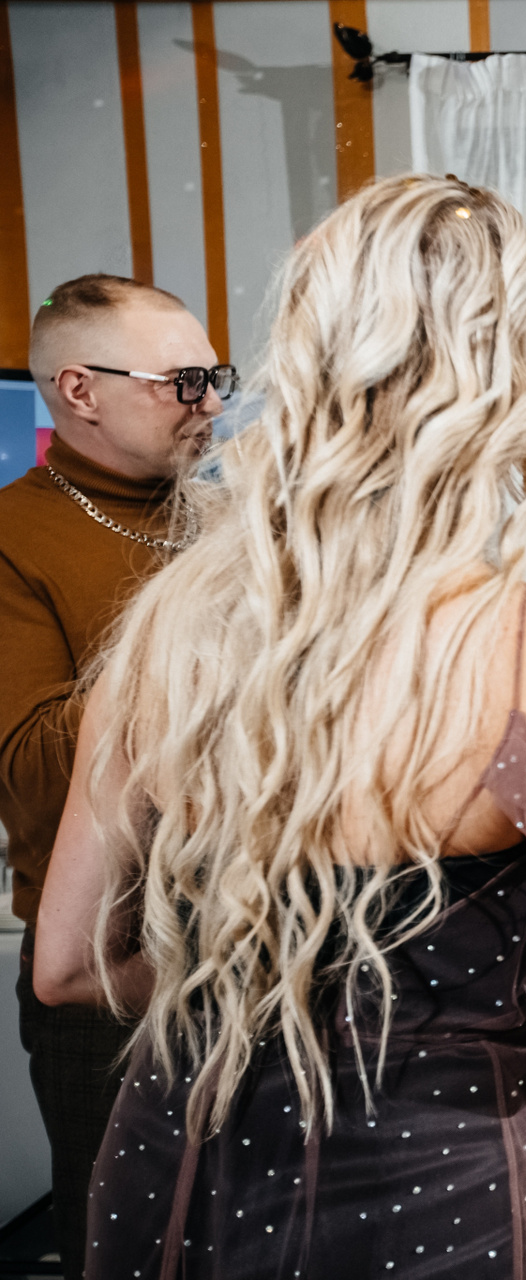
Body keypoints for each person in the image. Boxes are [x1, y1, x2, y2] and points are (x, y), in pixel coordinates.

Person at [31, 175, 526, 1278]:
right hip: (431, 1197)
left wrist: (245, 979)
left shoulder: (172, 627)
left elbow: (64, 966)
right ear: (515, 377)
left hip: (182, 1175)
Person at [0, 272, 225, 1279]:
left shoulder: (227, 522)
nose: (209, 403)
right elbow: (36, 771)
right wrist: (192, 643)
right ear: (80, 391)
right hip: (109, 968)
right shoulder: (13, 538)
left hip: (264, 944)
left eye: (215, 377)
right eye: (181, 382)